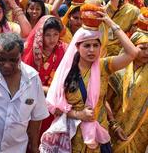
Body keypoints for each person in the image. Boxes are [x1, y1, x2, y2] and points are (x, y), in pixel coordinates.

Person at [40, 11, 138, 152]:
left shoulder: (104, 66)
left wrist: (110, 23)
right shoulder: (66, 71)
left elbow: (132, 53)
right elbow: (55, 106)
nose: (91, 50)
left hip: (98, 136)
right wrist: (78, 114)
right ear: (77, 47)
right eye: (87, 46)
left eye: (95, 45)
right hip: (73, 137)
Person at [108, 27, 148, 152]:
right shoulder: (118, 69)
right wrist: (114, 124)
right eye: (142, 48)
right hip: (114, 128)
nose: (147, 53)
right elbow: (105, 100)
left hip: (140, 131)